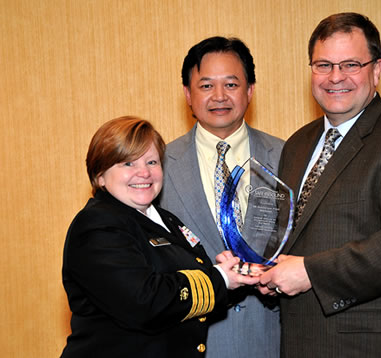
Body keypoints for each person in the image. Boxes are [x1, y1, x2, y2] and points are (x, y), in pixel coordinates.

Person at [257, 13, 381, 357]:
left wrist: (309, 272)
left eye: (350, 64)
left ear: (376, 70)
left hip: (372, 346)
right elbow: (289, 233)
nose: (335, 77)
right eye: (323, 65)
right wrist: (263, 268)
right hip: (302, 341)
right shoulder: (298, 145)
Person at [61, 116, 258, 358]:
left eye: (152, 162)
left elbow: (196, 290)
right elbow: (144, 302)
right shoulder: (97, 225)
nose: (143, 172)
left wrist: (237, 276)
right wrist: (220, 278)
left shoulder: (166, 220)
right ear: (100, 175)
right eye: (127, 163)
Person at [159, 36, 283, 357]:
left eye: (231, 84)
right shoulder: (157, 165)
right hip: (191, 341)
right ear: (187, 94)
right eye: (205, 86)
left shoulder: (288, 157)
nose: (219, 96)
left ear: (250, 90)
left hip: (274, 338)